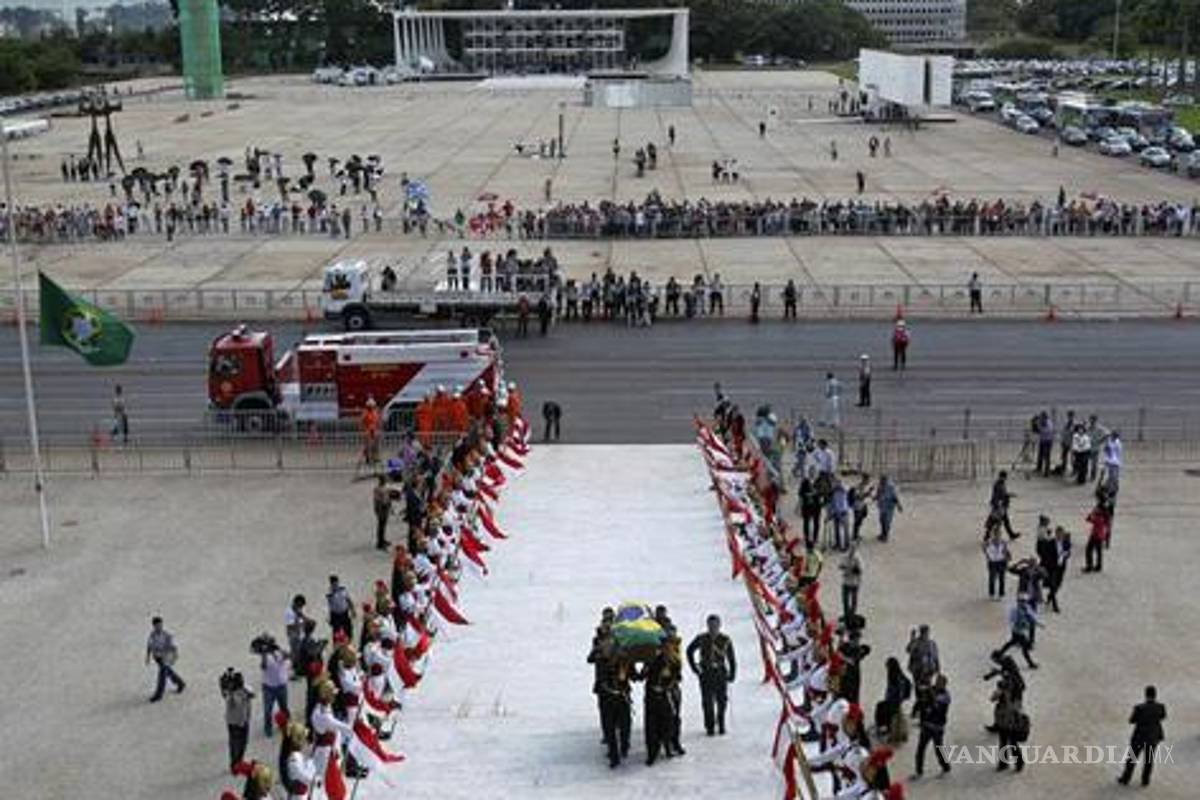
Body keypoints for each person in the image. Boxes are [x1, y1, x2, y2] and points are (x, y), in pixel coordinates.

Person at [686, 614, 736, 736]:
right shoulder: (702, 638)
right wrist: (695, 668)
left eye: (715, 625)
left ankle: (721, 722)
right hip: (706, 673)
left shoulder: (725, 640)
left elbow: (731, 658)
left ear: (719, 625)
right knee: (707, 701)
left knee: (722, 701)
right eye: (711, 625)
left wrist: (732, 673)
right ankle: (710, 726)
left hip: (720, 673)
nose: (713, 628)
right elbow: (689, 650)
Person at [1118, 686, 1167, 787]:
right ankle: (1145, 780)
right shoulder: (1160, 707)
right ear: (1155, 695)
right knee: (1149, 760)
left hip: (1139, 737)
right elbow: (1163, 717)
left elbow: (1132, 720)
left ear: (1146, 695)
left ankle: (1126, 779)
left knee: (1131, 759)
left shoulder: (1139, 708)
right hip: (1153, 737)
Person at [911, 673, 951, 780]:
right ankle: (919, 771)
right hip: (927, 725)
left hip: (937, 727)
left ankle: (946, 767)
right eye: (937, 681)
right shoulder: (931, 690)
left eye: (940, 682)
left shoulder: (945, 696)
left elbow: (937, 704)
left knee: (938, 749)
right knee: (920, 750)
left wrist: (928, 692)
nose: (937, 684)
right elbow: (921, 700)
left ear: (944, 685)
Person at [146, 616, 185, 702]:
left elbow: (172, 646)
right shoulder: (152, 636)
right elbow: (149, 646)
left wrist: (173, 655)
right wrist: (148, 657)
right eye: (157, 625)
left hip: (166, 657)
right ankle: (180, 683)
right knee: (167, 671)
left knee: (162, 674)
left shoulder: (166, 635)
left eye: (160, 625)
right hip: (158, 658)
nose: (159, 627)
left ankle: (159, 694)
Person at [221, 669, 255, 770]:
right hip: (234, 722)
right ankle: (234, 764)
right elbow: (233, 702)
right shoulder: (230, 695)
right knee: (234, 744)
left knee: (243, 742)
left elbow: (252, 694)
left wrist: (242, 690)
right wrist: (230, 691)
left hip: (244, 720)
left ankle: (239, 761)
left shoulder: (245, 689)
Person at [875, 657, 912, 742]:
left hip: (894, 702)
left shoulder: (895, 678)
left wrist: (895, 700)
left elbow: (897, 692)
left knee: (881, 708)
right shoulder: (900, 676)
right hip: (895, 701)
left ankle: (883, 728)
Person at [997, 597, 1039, 669]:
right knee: (1024, 649)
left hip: (1020, 632)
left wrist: (1031, 620)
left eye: (1024, 601)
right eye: (1021, 601)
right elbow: (1013, 620)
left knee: (1012, 643)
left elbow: (1031, 617)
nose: (1023, 603)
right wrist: (1023, 622)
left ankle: (1000, 653)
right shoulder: (1016, 611)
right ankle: (1030, 664)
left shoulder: (1026, 609)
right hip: (1018, 632)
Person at [260, 640, 290, 738]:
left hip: (281, 685)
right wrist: (264, 653)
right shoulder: (266, 657)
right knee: (267, 710)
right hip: (269, 687)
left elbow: (288, 655)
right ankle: (268, 728)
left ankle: (286, 723)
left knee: (283, 706)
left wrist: (279, 649)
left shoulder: (280, 653)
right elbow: (263, 666)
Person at [989, 471, 1020, 540]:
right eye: (1004, 477)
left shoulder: (1002, 484)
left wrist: (1010, 495)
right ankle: (988, 535)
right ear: (1001, 477)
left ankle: (1011, 535)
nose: (1005, 479)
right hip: (999, 506)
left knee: (1005, 521)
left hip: (1002, 506)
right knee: (994, 521)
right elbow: (996, 496)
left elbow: (1004, 494)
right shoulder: (998, 485)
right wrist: (997, 505)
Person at [982, 528, 1011, 600]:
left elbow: (1006, 551)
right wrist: (988, 556)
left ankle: (1001, 594)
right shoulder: (988, 542)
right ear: (993, 535)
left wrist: (1007, 560)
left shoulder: (1003, 542)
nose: (997, 536)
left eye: (999, 535)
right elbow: (984, 549)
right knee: (992, 578)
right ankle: (991, 594)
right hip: (992, 562)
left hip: (1001, 562)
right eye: (996, 535)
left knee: (1002, 579)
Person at [1083, 502, 1110, 573]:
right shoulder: (1103, 516)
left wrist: (1092, 514)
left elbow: (1089, 519)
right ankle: (1098, 566)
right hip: (1100, 535)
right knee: (1098, 551)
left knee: (1089, 550)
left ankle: (1089, 566)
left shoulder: (1099, 516)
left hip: (1096, 535)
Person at [839, 544, 863, 623]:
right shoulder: (845, 556)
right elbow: (840, 566)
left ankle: (851, 617)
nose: (851, 551)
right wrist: (843, 567)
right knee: (845, 600)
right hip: (846, 581)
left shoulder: (858, 558)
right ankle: (846, 616)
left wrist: (850, 570)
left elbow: (860, 571)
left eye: (853, 549)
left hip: (854, 582)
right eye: (851, 549)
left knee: (853, 601)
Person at [326, 576, 354, 641]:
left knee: (348, 629)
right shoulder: (329, 594)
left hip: (344, 613)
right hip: (335, 615)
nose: (335, 585)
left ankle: (349, 642)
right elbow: (330, 606)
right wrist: (330, 618)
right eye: (333, 584)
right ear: (331, 584)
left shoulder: (343, 590)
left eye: (336, 583)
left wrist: (352, 610)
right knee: (336, 632)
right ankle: (336, 646)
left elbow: (348, 600)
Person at [876, 475, 902, 542]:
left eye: (883, 480)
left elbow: (895, 497)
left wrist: (899, 505)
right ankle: (882, 534)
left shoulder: (891, 486)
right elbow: (878, 494)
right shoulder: (880, 486)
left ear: (886, 480)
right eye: (881, 480)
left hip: (889, 507)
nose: (881, 482)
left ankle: (886, 537)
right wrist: (874, 498)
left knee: (887, 522)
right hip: (882, 506)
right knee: (882, 521)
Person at [372, 476, 393, 551]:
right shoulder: (378, 489)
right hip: (381, 509)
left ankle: (383, 539)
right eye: (385, 480)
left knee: (383, 525)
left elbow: (387, 497)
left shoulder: (384, 488)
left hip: (385, 508)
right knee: (381, 525)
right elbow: (379, 501)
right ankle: (380, 543)